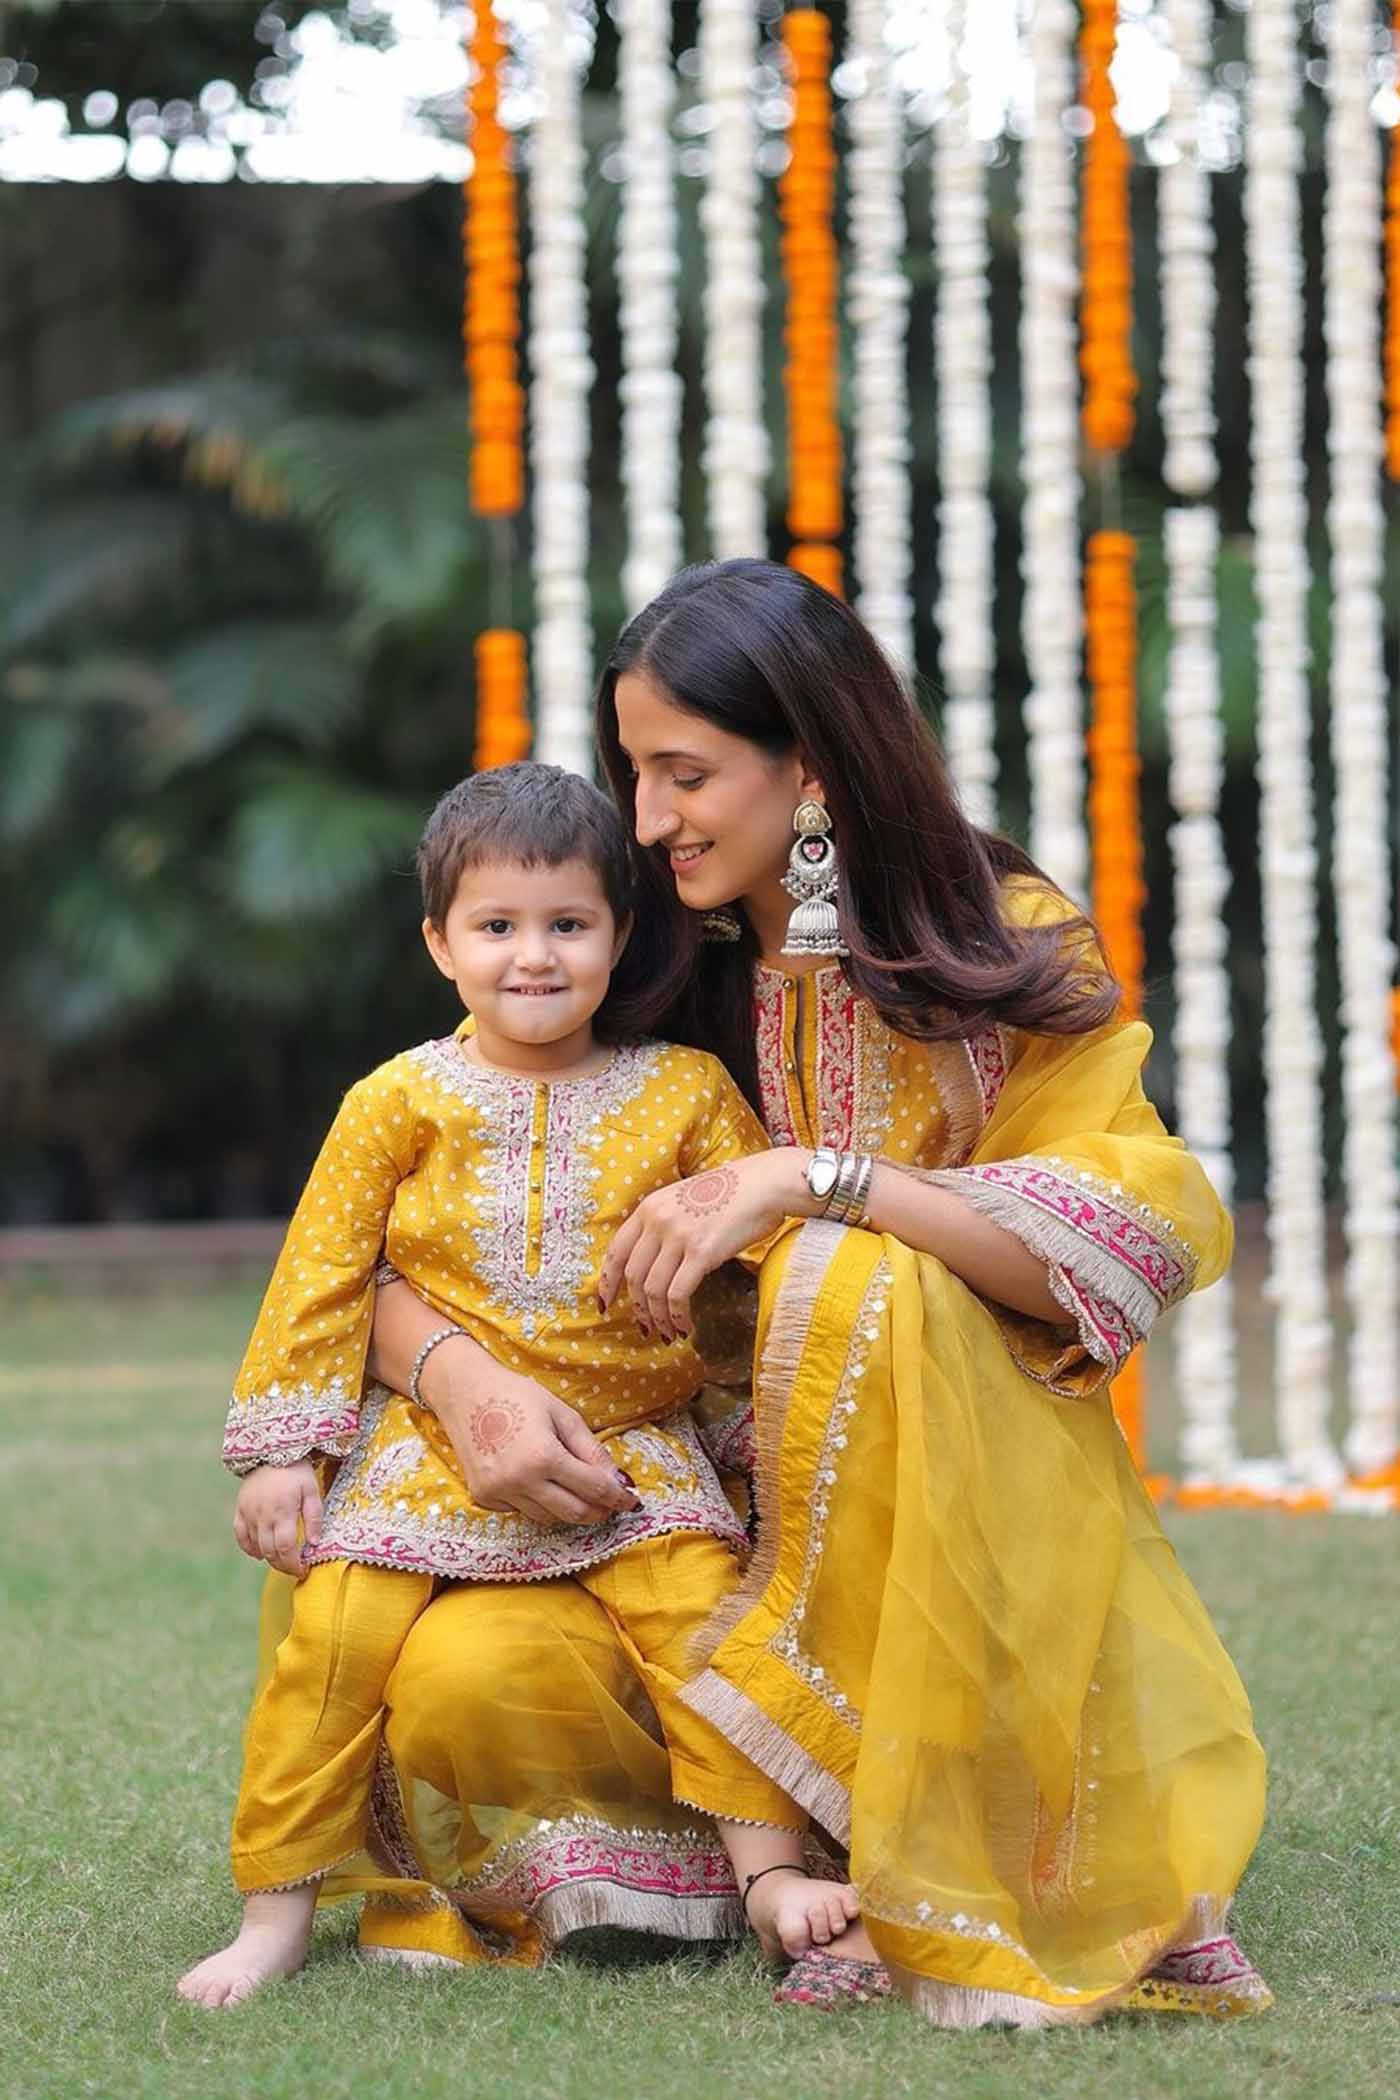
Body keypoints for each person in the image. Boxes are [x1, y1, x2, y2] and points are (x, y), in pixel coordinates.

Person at [345, 559, 1270, 2024]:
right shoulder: (628, 948)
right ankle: (765, 1856)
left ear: (817, 766)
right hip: (667, 1534)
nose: (647, 820)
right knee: (465, 1676)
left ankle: (902, 1836)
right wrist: (470, 1383)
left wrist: (812, 1182)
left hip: (955, 1536)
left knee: (853, 1283)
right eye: (633, 773)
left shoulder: (999, 940)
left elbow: (1121, 1233)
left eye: (684, 773)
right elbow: (384, 1243)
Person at [178, 761, 861, 2011]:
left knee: (709, 1635)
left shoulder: (683, 1093)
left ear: (619, 933)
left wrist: (765, 1370)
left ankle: (765, 1876)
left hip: (637, 1455)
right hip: (427, 1459)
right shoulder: (398, 1101)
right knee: (329, 1649)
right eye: (497, 926)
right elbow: (325, 1272)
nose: (532, 957)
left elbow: (767, 1265)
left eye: (567, 924)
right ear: (441, 943)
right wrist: (286, 1451)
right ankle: (273, 1911)